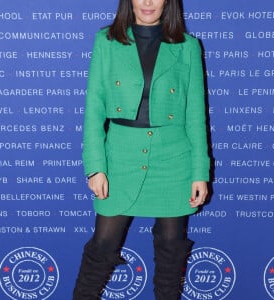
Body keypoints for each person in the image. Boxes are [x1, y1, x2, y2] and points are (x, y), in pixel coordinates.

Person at [73, 0, 210, 299]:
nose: (148, 2)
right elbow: (93, 109)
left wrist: (200, 172)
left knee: (172, 250)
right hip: (120, 155)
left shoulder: (187, 46)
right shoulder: (106, 41)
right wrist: (96, 167)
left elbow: (196, 116)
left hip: (174, 160)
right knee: (102, 247)